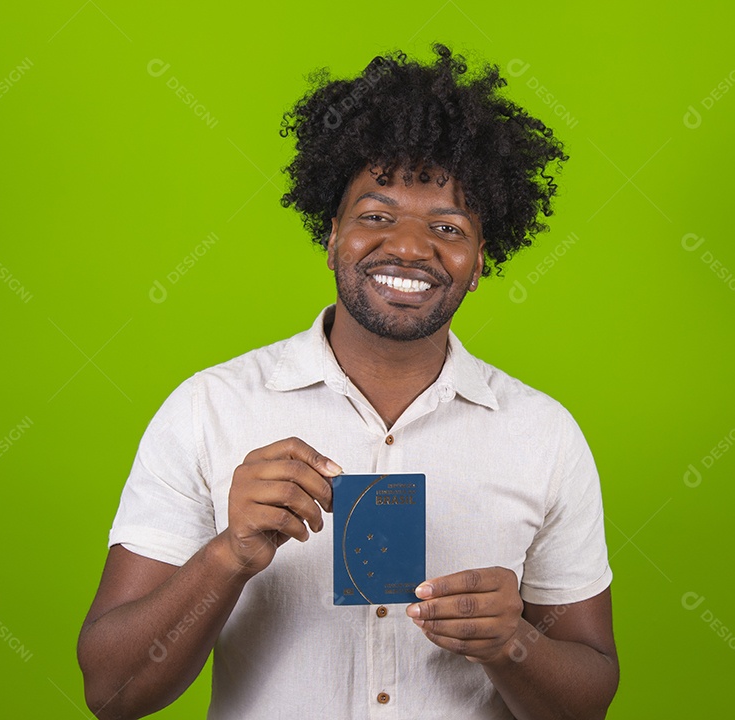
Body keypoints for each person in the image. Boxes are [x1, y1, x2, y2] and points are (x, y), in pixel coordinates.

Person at [77, 43, 618, 720]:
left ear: (480, 261)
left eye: (446, 226)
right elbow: (112, 693)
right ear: (332, 238)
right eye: (376, 216)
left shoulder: (544, 435)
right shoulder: (208, 409)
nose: (410, 247)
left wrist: (511, 643)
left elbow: (588, 700)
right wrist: (228, 556)